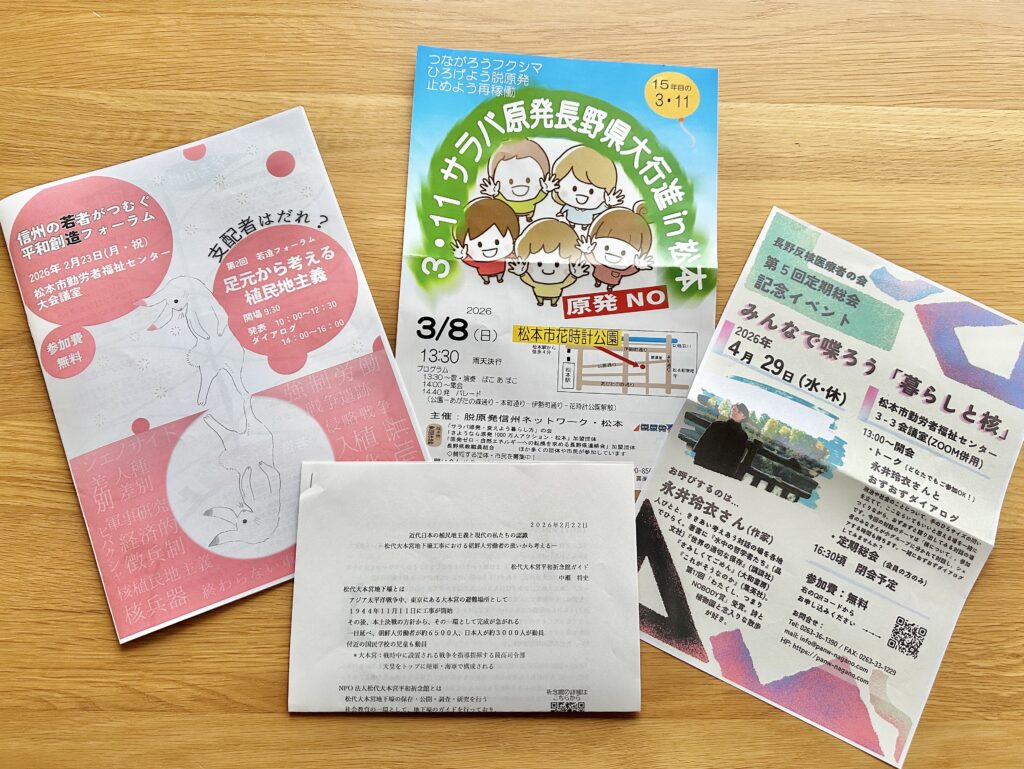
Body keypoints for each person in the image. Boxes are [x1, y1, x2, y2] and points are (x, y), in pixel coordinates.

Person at [692, 403, 750, 478]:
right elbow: (701, 446)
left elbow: (736, 460)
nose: (735, 412)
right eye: (734, 409)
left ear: (744, 417)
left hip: (721, 472)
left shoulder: (743, 437)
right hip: (703, 464)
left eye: (739, 412)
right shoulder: (716, 425)